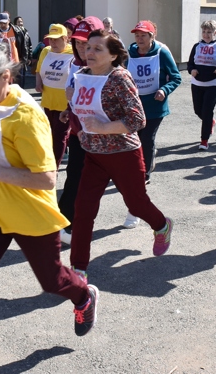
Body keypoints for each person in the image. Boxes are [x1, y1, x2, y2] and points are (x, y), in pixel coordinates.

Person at [0, 42, 98, 374]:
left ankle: (83, 294)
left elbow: (46, 179)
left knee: (52, 281)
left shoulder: (26, 115)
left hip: (30, 216)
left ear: (6, 77)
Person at [67, 30, 173, 273]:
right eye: (88, 47)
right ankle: (78, 270)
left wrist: (104, 128)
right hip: (93, 155)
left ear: (113, 55)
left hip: (124, 153)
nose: (89, 52)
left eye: (97, 49)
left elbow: (138, 119)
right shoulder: (82, 75)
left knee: (136, 205)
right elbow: (80, 111)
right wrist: (72, 113)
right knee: (82, 211)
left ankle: (162, 226)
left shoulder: (119, 78)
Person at [56, 16, 104, 244]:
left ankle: (148, 217)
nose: (81, 47)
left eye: (87, 42)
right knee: (75, 178)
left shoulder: (112, 68)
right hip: (79, 134)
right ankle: (65, 223)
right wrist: (69, 109)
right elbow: (75, 97)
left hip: (107, 137)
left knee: (128, 190)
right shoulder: (73, 64)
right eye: (77, 42)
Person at [127, 20, 181, 179]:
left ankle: (144, 174)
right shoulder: (129, 54)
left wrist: (164, 90)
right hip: (135, 105)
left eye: (143, 35)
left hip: (155, 105)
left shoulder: (161, 53)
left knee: (147, 138)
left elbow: (176, 78)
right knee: (135, 139)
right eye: (137, 35)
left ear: (152, 36)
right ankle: (139, 166)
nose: (139, 39)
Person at [35, 23, 74, 167]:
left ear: (66, 38)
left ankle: (53, 168)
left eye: (56, 39)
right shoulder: (45, 51)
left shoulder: (73, 53)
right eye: (51, 39)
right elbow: (39, 69)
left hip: (65, 103)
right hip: (48, 100)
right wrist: (38, 83)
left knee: (59, 136)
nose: (53, 42)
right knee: (51, 134)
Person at [187, 20, 216, 150]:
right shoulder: (196, 46)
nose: (206, 34)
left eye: (209, 32)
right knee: (198, 110)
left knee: (207, 111)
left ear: (215, 33)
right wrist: (192, 70)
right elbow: (190, 63)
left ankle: (204, 140)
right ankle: (210, 123)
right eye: (204, 31)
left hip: (214, 84)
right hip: (197, 83)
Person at [11, 16, 33, 85]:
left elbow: (29, 46)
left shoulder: (26, 32)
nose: (20, 23)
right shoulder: (14, 33)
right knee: (17, 78)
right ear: (15, 24)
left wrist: (29, 57)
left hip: (24, 59)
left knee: (23, 78)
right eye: (18, 22)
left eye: (21, 21)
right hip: (18, 59)